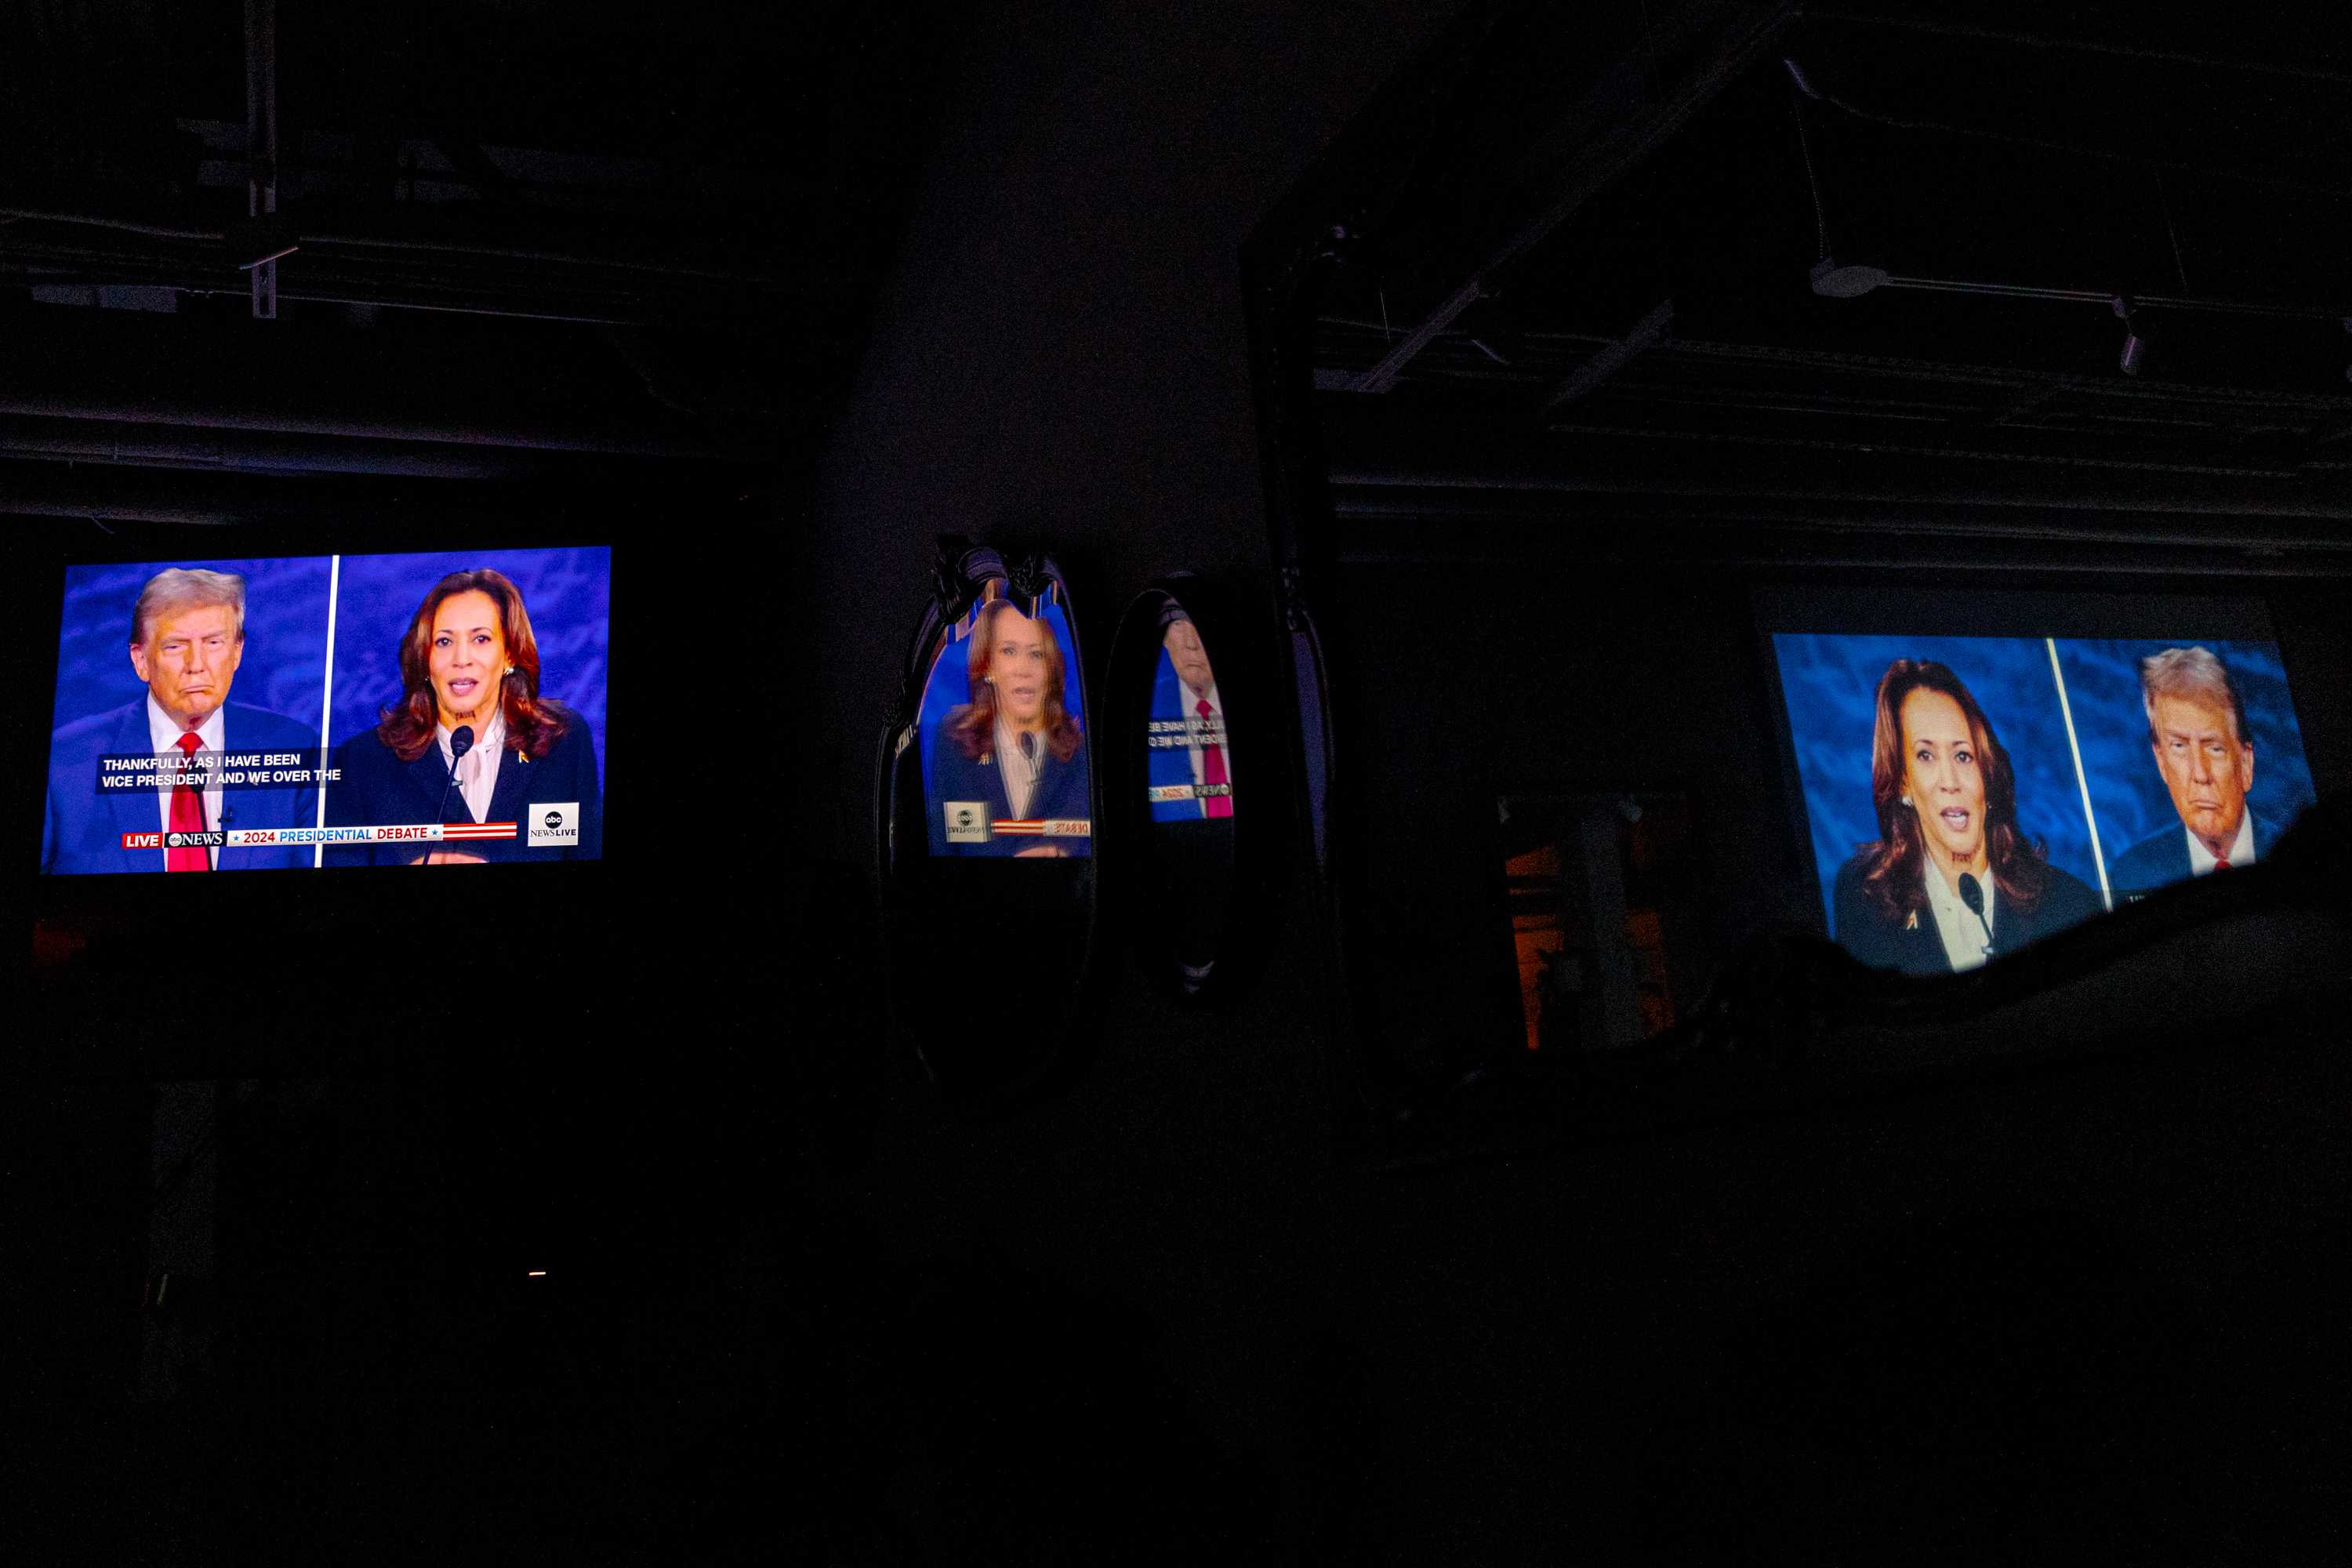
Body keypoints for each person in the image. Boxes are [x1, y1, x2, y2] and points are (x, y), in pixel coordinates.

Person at [1832, 659, 2102, 975]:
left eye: (1963, 755)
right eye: (1926, 756)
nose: (1951, 781)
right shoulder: (1862, 895)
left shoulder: (2069, 904)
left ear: (1986, 773)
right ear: (1904, 780)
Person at [42, 568, 319, 873]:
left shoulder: (295, 747)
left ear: (237, 652)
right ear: (141, 661)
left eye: (213, 643)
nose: (196, 666)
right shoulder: (66, 759)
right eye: (175, 646)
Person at [324, 568, 602, 866]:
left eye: (481, 639)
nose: (461, 659)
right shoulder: (363, 761)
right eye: (444, 642)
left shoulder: (564, 740)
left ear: (509, 653)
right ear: (425, 656)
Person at [2107, 647, 2280, 895]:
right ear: (2161, 761)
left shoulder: (2299, 855)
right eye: (2179, 746)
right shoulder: (2131, 876)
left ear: (2245, 763)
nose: (2200, 774)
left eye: (2215, 748)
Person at [927, 598, 1089, 857]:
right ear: (988, 665)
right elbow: (942, 859)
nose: (1023, 670)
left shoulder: (1083, 754)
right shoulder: (953, 742)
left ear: (1051, 669)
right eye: (1009, 652)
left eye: (1036, 654)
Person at [1146, 609, 1234, 821]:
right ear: (1164, 639)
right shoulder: (1149, 708)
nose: (1191, 644)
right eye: (1177, 625)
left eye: (1198, 623)